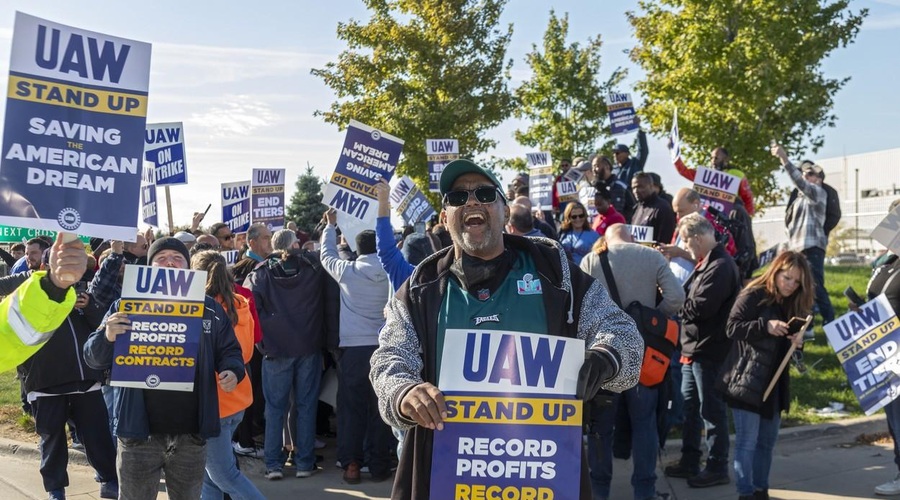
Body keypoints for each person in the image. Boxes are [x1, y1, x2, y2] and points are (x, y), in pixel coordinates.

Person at [369, 158, 643, 500]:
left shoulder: (554, 274)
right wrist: (403, 392)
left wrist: (606, 357)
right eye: (457, 198)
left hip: (542, 472)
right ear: (445, 218)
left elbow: (621, 330)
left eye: (484, 193)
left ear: (505, 211)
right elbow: (388, 359)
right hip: (448, 475)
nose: (471, 202)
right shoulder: (420, 288)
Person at [83, 237, 245, 500]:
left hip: (191, 436)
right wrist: (107, 336)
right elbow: (92, 357)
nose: (170, 261)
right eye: (161, 258)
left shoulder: (209, 309)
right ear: (149, 267)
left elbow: (230, 350)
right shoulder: (125, 306)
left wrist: (232, 370)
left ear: (189, 268)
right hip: (138, 435)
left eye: (177, 257)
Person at [580, 224, 685, 500]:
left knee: (601, 428)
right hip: (644, 356)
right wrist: (650, 320)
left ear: (606, 237)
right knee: (644, 424)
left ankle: (599, 491)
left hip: (604, 356)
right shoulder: (651, 257)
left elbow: (577, 306)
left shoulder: (592, 260)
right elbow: (676, 298)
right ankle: (644, 491)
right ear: (633, 237)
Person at [18, 249, 119, 500]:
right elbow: (19, 336)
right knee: (52, 440)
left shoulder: (84, 292)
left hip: (85, 380)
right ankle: (55, 489)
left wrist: (90, 307)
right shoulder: (30, 292)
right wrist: (25, 389)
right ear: (48, 264)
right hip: (45, 383)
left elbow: (100, 331)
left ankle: (108, 480)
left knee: (98, 438)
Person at [718, 251, 814, 500]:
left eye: (796, 282)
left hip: (775, 382)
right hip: (747, 379)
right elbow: (731, 327)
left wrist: (798, 341)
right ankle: (746, 492)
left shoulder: (792, 301)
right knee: (747, 442)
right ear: (776, 271)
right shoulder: (754, 293)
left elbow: (786, 345)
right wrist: (765, 326)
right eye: (787, 278)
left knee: (766, 443)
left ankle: (761, 490)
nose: (790, 285)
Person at [245, 228, 337, 480]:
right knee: (305, 406)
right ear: (295, 244)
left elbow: (250, 310)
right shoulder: (313, 268)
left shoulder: (260, 274)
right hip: (307, 346)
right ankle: (304, 462)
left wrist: (264, 341)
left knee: (275, 409)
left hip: (275, 350)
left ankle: (274, 464)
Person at [664, 213, 741, 488]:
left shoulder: (720, 265)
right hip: (694, 349)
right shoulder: (707, 262)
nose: (686, 247)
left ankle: (717, 466)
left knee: (711, 411)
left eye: (686, 241)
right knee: (691, 409)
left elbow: (699, 308)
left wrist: (675, 304)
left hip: (709, 351)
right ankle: (690, 460)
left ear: (697, 237)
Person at [320, 210, 394, 484]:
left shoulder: (347, 271)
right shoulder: (390, 271)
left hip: (353, 350)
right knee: (380, 408)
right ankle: (379, 466)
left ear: (357, 249)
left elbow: (326, 254)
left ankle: (351, 464)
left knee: (351, 409)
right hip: (384, 348)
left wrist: (330, 227)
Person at [190, 251, 265, 500]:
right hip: (237, 401)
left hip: (214, 405)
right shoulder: (240, 304)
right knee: (208, 476)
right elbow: (251, 345)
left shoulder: (203, 311)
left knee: (224, 475)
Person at [0, 233, 86, 372]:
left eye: (33, 253)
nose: (28, 257)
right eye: (26, 253)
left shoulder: (72, 280)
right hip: (31, 362)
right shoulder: (22, 278)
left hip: (65, 354)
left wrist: (57, 284)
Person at [771, 144, 835, 325]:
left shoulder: (818, 192)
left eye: (809, 174)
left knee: (816, 287)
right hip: (798, 249)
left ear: (818, 179)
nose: (805, 176)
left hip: (812, 247)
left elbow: (798, 181)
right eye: (804, 173)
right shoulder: (800, 199)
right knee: (803, 288)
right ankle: (805, 326)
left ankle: (830, 323)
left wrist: (784, 158)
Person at [671, 145, 756, 215]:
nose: (712, 161)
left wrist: (747, 217)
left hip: (727, 218)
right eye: (711, 158)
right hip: (705, 217)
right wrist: (675, 155)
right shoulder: (705, 174)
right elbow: (684, 171)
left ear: (726, 160)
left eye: (716, 158)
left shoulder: (737, 175)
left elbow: (747, 197)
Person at [631, 172, 676, 245]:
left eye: (640, 187)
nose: (636, 191)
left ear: (651, 187)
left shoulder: (663, 208)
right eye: (633, 188)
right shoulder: (637, 208)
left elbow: (664, 242)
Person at [592, 154, 635, 222]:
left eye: (596, 166)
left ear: (607, 166)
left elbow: (629, 208)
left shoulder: (620, 186)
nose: (594, 170)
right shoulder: (595, 187)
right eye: (592, 167)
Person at [558, 201, 600, 265]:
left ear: (585, 216)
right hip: (566, 271)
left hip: (585, 272)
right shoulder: (562, 234)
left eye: (581, 216)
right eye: (574, 217)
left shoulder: (594, 236)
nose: (578, 219)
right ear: (568, 217)